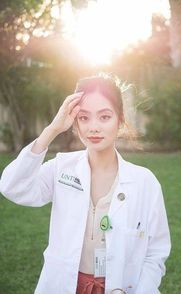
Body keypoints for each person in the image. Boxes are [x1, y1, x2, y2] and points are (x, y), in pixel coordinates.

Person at [0, 73, 171, 294]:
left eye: (104, 117)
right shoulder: (62, 168)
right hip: (63, 286)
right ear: (74, 123)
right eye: (84, 117)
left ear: (120, 120)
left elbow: (155, 252)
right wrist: (51, 129)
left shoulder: (144, 182)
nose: (93, 127)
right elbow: (12, 187)